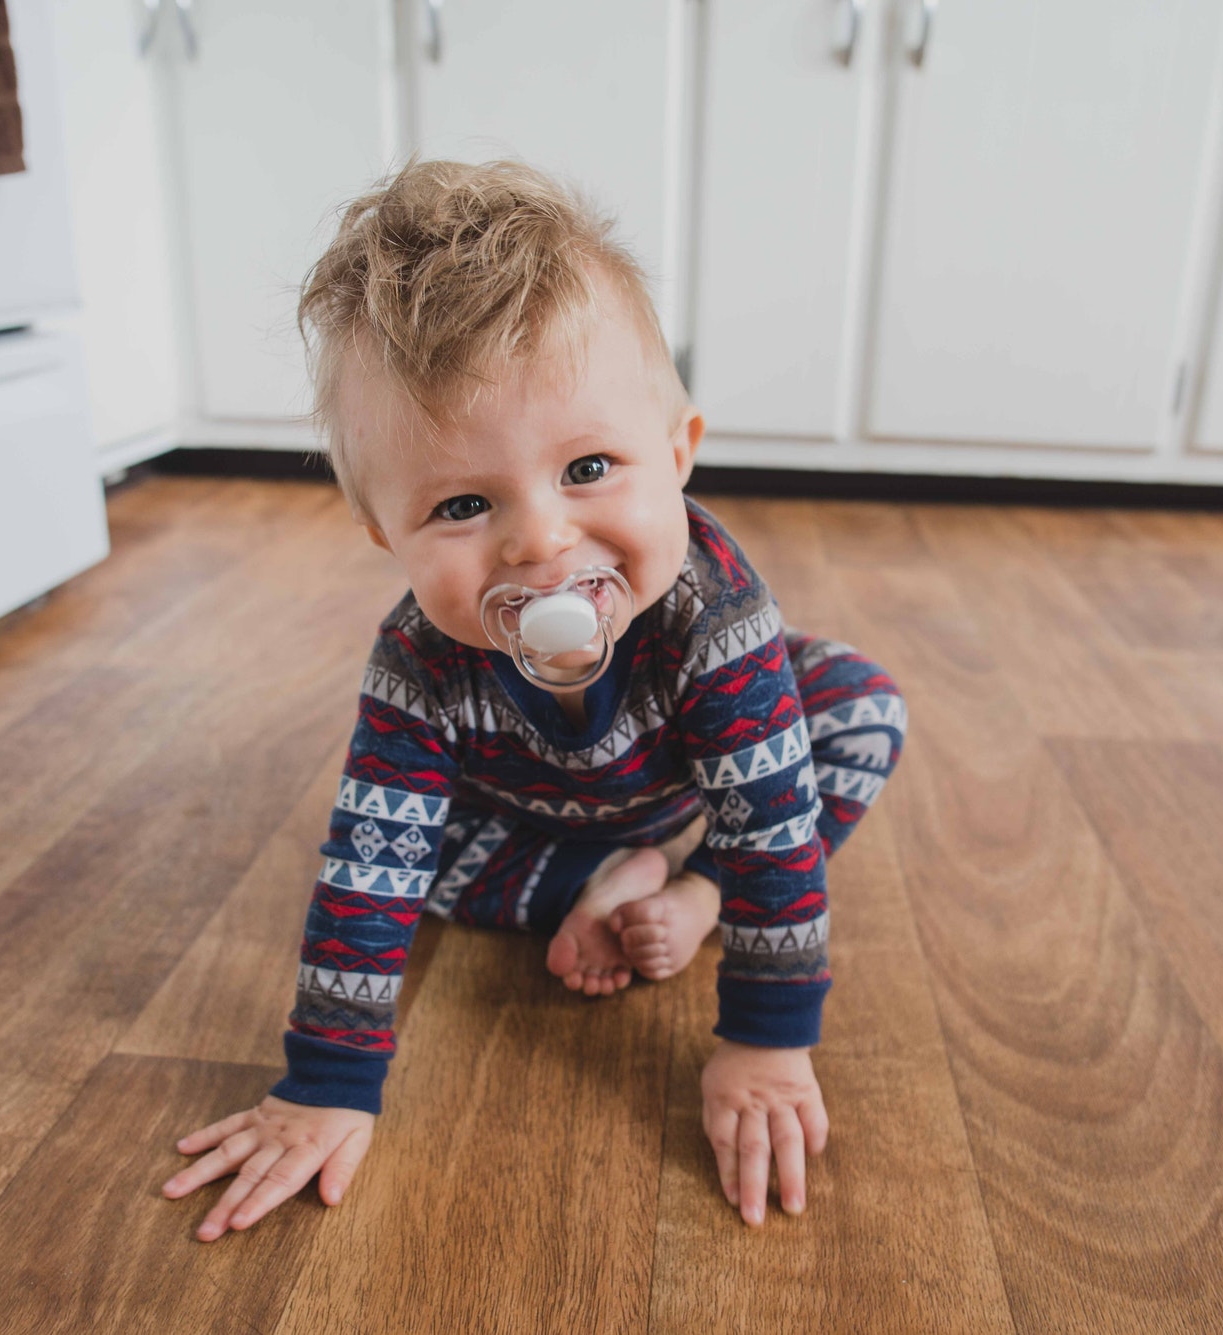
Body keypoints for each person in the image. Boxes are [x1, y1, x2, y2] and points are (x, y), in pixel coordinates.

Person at [161, 159, 903, 1237]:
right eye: (464, 502)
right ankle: (600, 876)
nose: (541, 542)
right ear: (388, 534)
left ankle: (688, 892)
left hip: (692, 787)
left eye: (590, 468)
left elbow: (774, 830)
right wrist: (328, 1079)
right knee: (413, 866)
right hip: (524, 814)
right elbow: (369, 867)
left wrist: (763, 1039)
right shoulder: (419, 664)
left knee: (860, 711)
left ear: (677, 453)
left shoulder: (712, 616)